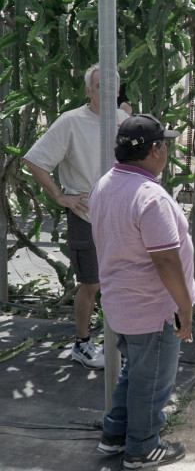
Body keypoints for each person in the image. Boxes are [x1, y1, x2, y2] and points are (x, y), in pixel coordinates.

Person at [91, 113, 195, 469]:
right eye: (164, 144)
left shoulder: (105, 183)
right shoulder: (150, 196)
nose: (166, 151)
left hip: (121, 304)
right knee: (151, 382)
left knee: (134, 372)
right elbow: (166, 261)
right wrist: (185, 308)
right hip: (153, 309)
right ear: (155, 150)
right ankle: (141, 447)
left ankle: (115, 434)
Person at [23, 63, 128, 369]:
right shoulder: (70, 122)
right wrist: (59, 196)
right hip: (87, 215)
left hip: (121, 217)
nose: (106, 92)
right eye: (99, 86)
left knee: (121, 281)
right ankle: (82, 344)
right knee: (91, 283)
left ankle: (118, 341)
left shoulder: (123, 120)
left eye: (112, 87)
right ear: (88, 90)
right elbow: (35, 160)